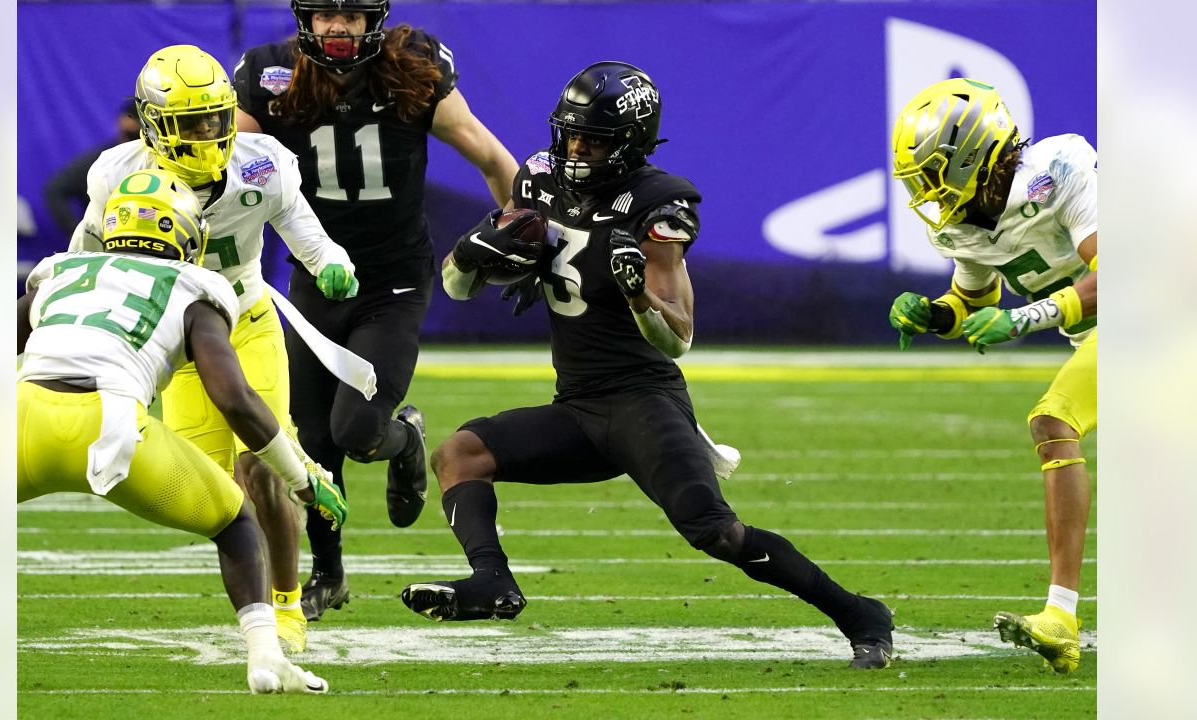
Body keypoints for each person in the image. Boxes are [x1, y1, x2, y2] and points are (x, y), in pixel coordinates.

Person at [401, 61, 895, 671]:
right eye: (573, 133)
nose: (577, 147)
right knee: (460, 453)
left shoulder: (656, 203)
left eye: (595, 138)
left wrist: (638, 294)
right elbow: (455, 288)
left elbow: (678, 338)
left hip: (643, 400)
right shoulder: (538, 180)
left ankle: (860, 614)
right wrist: (470, 253)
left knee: (716, 532)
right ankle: (492, 583)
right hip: (578, 405)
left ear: (630, 142)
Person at [233, 0, 518, 621]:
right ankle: (328, 574)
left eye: (353, 16)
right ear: (304, 20)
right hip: (314, 282)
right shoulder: (270, 74)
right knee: (311, 445)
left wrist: (526, 238)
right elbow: (223, 171)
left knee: (356, 431)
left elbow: (494, 160)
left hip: (390, 282)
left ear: (374, 20)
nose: (338, 28)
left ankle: (404, 437)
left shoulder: (411, 68)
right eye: (326, 15)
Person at [69, 44, 359, 654]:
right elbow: (83, 260)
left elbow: (309, 236)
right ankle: (294, 468)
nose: (208, 131)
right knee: (218, 491)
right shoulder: (116, 175)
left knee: (263, 468)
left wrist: (334, 264)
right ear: (154, 124)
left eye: (215, 116)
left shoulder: (263, 165)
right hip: (174, 342)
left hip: (245, 320)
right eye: (191, 121)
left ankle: (286, 611)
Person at [19, 169, 346, 693]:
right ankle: (265, 656)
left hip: (22, 413)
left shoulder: (63, 269)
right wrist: (299, 477)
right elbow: (236, 400)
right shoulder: (195, 286)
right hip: (112, 425)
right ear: (188, 234)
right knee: (236, 519)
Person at [888, 78, 1097, 673]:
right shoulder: (965, 223)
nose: (926, 190)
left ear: (974, 155)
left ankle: (1061, 617)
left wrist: (1027, 317)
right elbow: (973, 301)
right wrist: (934, 315)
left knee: (1054, 420)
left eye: (934, 173)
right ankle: (1062, 620)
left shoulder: (1060, 168)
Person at [44, 99, 142, 238]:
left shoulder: (159, 158)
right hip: (107, 240)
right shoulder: (103, 160)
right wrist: (77, 230)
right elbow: (54, 189)